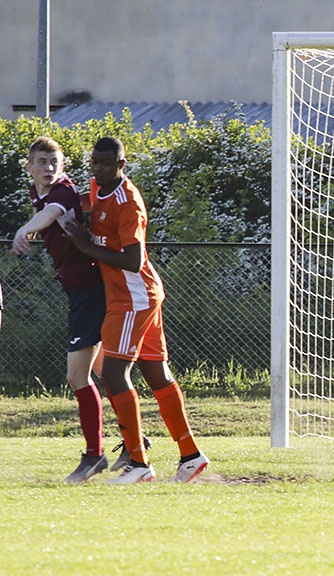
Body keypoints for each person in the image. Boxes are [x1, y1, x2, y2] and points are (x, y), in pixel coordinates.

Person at [63, 136, 208, 483]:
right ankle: (191, 456)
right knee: (157, 375)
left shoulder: (128, 202)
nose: (97, 168)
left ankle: (139, 465)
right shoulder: (98, 187)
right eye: (94, 162)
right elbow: (88, 206)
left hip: (133, 297)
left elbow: (132, 259)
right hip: (140, 295)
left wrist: (84, 245)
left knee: (113, 374)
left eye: (105, 162)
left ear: (121, 165)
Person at [13, 136, 110, 483]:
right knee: (105, 371)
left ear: (63, 166)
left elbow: (54, 212)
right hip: (81, 291)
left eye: (54, 162)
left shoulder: (61, 193)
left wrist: (26, 228)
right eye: (41, 161)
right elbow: (49, 215)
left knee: (77, 376)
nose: (48, 168)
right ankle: (134, 442)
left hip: (90, 293)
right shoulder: (39, 194)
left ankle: (94, 456)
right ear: (29, 166)